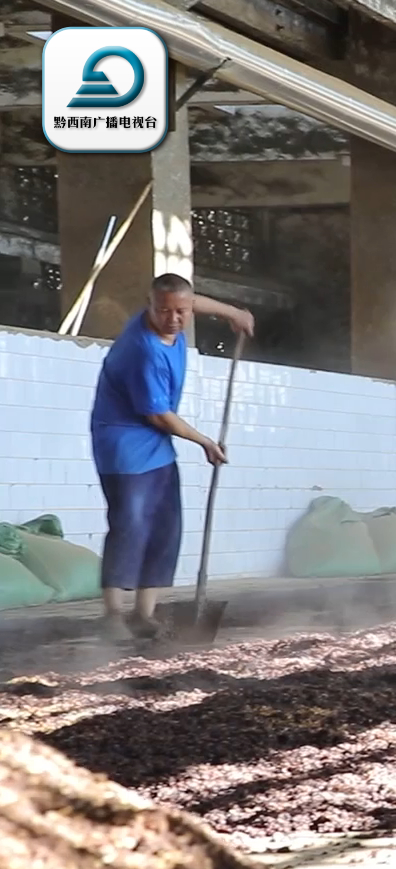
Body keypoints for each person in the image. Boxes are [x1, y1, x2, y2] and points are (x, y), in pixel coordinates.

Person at [89, 274, 254, 639]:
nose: (174, 318)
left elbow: (195, 301)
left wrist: (234, 313)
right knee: (131, 522)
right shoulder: (142, 350)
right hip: (123, 442)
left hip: (155, 441)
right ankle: (114, 614)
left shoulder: (178, 314)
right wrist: (205, 442)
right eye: (164, 311)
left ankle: (143, 614)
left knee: (165, 525)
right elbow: (157, 414)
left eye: (181, 311)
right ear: (150, 306)